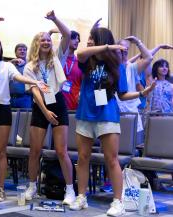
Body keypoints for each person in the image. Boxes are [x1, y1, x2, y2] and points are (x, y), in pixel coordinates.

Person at [69, 27, 155, 216]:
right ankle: (81, 197)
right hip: (85, 114)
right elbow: (79, 53)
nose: (89, 41)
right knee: (82, 158)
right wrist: (107, 46)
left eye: (92, 38)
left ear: (100, 40)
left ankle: (118, 202)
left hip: (107, 116)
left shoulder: (118, 66)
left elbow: (123, 95)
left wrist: (142, 92)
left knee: (112, 159)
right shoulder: (87, 61)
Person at [0, 16, 48, 202]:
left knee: (0, 151)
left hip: (2, 110)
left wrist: (34, 81)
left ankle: (0, 188)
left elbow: (19, 79)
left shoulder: (6, 66)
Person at [23, 10, 75, 205]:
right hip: (40, 106)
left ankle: (70, 190)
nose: (46, 42)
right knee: (35, 150)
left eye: (48, 39)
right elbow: (35, 91)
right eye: (42, 40)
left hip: (58, 103)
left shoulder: (58, 58)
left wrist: (54, 19)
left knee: (61, 150)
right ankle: (32, 186)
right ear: (36, 44)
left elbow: (68, 35)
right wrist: (45, 111)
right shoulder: (29, 66)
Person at [116, 37, 153, 145]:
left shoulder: (131, 68)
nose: (125, 50)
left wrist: (138, 42)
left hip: (130, 111)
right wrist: (101, 106)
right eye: (122, 47)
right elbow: (101, 90)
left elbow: (148, 57)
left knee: (134, 147)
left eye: (127, 48)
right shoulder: (109, 67)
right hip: (113, 113)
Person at [9, 43, 32, 108]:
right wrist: (12, 61)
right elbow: (1, 68)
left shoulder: (30, 65)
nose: (22, 51)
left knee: (25, 118)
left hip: (25, 98)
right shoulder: (10, 65)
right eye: (20, 49)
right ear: (15, 52)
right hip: (10, 98)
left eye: (24, 50)